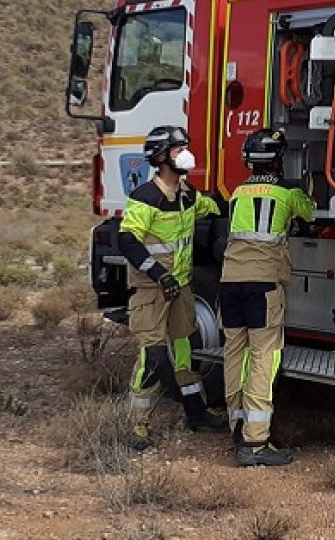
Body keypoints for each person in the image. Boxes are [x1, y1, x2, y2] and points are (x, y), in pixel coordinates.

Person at [115, 125, 229, 449]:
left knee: (186, 350)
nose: (186, 155)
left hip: (181, 290)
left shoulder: (188, 195)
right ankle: (136, 425)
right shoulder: (145, 198)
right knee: (153, 356)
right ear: (162, 157)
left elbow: (216, 207)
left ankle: (196, 413)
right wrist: (158, 274)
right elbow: (128, 241)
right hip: (153, 291)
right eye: (179, 150)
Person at [222, 128, 315, 466]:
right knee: (264, 356)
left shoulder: (236, 193)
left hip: (229, 282)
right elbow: (310, 213)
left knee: (234, 352)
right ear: (278, 159)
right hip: (262, 286)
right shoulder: (286, 193)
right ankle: (255, 441)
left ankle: (236, 426)